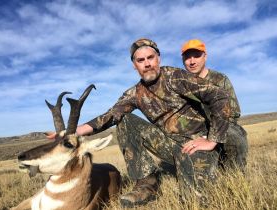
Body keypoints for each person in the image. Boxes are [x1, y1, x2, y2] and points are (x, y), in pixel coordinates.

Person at [73, 38, 231, 207]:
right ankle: (147, 185)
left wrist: (212, 139)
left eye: (150, 57)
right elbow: (111, 115)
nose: (147, 64)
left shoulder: (175, 77)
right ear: (135, 65)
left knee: (193, 202)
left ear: (158, 59)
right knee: (125, 120)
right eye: (141, 60)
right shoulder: (135, 93)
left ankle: (217, 167)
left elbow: (219, 96)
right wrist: (74, 132)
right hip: (170, 145)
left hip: (195, 145)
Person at [181, 39, 248, 172]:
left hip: (223, 128)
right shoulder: (181, 85)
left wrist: (211, 136)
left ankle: (235, 177)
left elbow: (233, 113)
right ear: (183, 60)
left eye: (196, 55)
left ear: (205, 56)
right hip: (197, 133)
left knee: (234, 136)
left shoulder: (220, 79)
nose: (192, 61)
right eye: (187, 57)